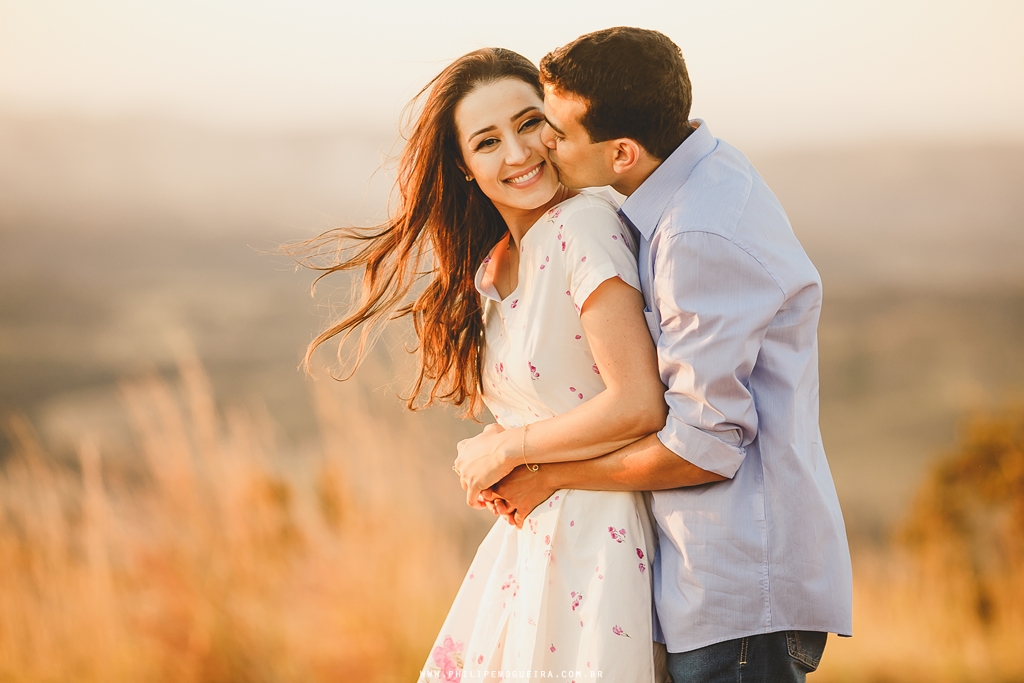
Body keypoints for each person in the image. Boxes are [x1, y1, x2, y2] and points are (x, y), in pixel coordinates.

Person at [474, 27, 854, 683]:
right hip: (716, 586)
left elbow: (701, 446)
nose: (543, 145)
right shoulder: (696, 176)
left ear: (622, 152)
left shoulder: (695, 232)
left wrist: (543, 469)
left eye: (557, 132)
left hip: (733, 589)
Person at [291, 49, 673, 681]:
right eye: (488, 141)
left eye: (530, 124)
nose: (519, 154)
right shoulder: (498, 264)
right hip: (538, 544)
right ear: (465, 167)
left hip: (598, 544)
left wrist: (508, 450)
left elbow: (637, 402)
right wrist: (509, 450)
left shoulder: (584, 227)